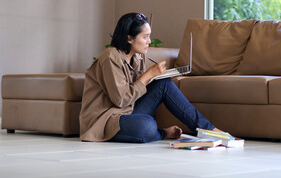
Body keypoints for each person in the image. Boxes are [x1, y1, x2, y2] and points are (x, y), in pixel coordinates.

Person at [79, 12, 222, 143]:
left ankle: (209, 130)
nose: (149, 41)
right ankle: (162, 133)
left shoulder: (137, 56)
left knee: (163, 83)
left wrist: (161, 76)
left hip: (128, 111)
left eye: (149, 36)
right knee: (147, 125)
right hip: (106, 120)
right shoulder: (110, 58)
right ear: (129, 38)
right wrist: (149, 74)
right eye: (145, 36)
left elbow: (140, 89)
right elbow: (121, 100)